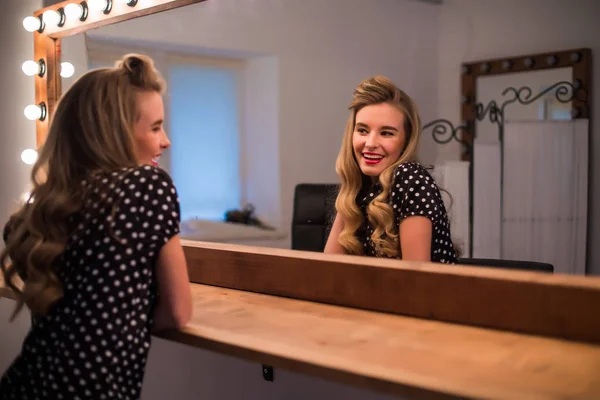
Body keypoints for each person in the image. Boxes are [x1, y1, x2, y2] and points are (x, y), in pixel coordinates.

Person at [0, 53, 192, 399]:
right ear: (112, 132)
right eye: (154, 127)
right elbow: (177, 312)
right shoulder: (146, 185)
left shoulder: (46, 205)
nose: (165, 140)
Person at [324, 76, 458, 264]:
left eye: (386, 133)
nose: (370, 143)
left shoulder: (412, 178)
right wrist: (350, 188)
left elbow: (415, 281)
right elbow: (328, 271)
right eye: (362, 130)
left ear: (406, 140)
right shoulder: (363, 185)